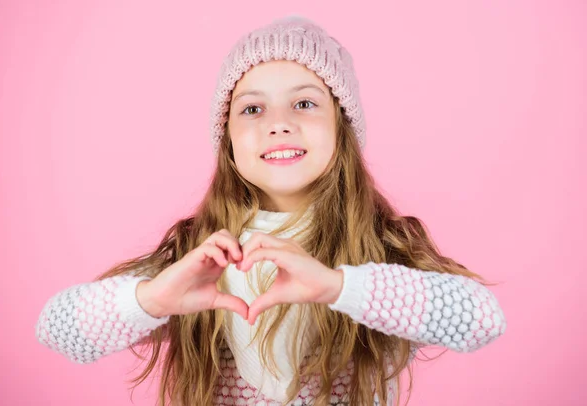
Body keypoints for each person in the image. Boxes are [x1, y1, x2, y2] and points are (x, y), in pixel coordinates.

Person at [35, 15, 507, 406]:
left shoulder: (380, 249)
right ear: (228, 142)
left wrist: (339, 286)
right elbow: (56, 329)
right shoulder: (196, 256)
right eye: (252, 109)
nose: (279, 124)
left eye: (304, 103)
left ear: (341, 129)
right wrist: (153, 300)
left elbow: (483, 320)